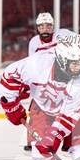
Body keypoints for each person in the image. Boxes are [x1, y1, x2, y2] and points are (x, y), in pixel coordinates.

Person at [24, 13, 76, 152]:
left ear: (53, 27)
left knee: (66, 111)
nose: (45, 29)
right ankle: (34, 140)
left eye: (48, 26)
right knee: (36, 109)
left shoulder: (62, 36)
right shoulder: (34, 42)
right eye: (41, 26)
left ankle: (70, 142)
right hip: (42, 84)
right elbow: (31, 64)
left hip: (61, 81)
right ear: (37, 28)